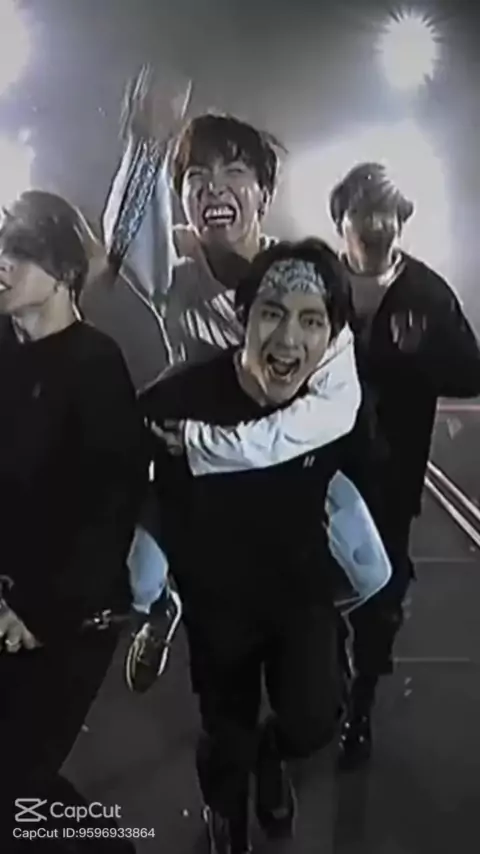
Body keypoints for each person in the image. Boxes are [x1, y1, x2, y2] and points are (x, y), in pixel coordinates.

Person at [89, 71, 391, 694]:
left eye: (234, 172)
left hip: (284, 464)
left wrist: (212, 444)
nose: (214, 187)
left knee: (370, 573)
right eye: (197, 176)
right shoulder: (178, 278)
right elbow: (123, 240)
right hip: (195, 475)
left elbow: (329, 414)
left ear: (264, 194)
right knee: (138, 583)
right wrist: (146, 145)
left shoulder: (307, 280)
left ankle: (296, 622)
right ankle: (165, 612)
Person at [140, 237, 381, 853]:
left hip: (299, 588)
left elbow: (370, 478)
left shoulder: (333, 409)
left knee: (315, 719)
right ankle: (227, 817)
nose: (289, 339)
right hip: (216, 596)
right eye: (272, 313)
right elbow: (116, 477)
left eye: (312, 321)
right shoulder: (178, 399)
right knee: (228, 733)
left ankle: (275, 756)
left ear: (331, 337)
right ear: (243, 316)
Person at [0, 191, 145, 851]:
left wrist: (36, 612)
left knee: (15, 781)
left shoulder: (96, 366)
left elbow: (108, 514)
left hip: (68, 618)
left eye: (20, 252)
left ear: (63, 272)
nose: (2, 264)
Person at [327, 162, 480, 767]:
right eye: (363, 211)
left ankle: (361, 703)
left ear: (402, 221)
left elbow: (470, 372)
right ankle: (328, 671)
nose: (376, 223)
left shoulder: (427, 293)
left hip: (390, 477)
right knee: (315, 586)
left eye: (387, 212)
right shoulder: (318, 282)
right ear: (340, 220)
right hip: (317, 470)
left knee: (380, 595)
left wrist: (425, 354)